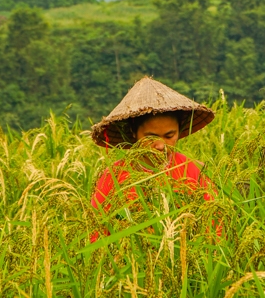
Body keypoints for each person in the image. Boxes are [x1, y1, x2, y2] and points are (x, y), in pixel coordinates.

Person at [89, 77, 217, 240]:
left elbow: (215, 227)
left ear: (179, 131)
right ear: (134, 133)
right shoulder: (112, 177)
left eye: (169, 135)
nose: (160, 145)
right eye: (151, 136)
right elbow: (96, 232)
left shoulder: (194, 171)